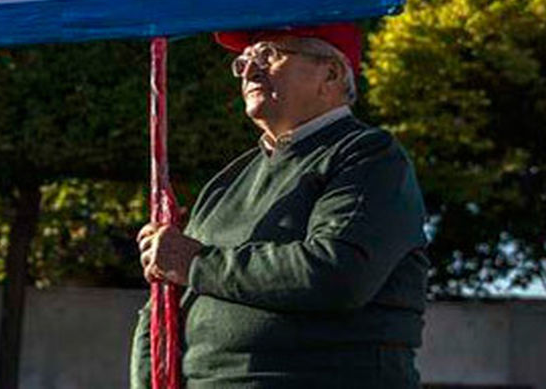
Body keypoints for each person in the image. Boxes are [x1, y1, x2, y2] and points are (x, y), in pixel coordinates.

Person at [130, 23, 429, 388]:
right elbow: (163, 303)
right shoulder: (225, 183)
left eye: (269, 54)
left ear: (331, 73)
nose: (250, 70)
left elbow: (336, 274)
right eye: (244, 61)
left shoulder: (368, 156)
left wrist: (195, 261)